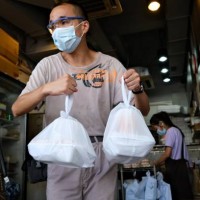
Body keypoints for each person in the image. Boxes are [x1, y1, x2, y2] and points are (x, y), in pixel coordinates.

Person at [11, 1, 149, 200]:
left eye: (64, 22)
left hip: (101, 155)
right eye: (53, 25)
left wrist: (138, 89)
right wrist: (46, 88)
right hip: (62, 154)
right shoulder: (47, 66)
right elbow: (16, 109)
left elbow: (142, 110)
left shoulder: (110, 66)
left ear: (83, 26)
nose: (57, 29)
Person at [150, 111, 193, 200]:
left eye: (155, 128)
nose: (157, 131)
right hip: (181, 167)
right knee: (185, 194)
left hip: (178, 170)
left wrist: (155, 163)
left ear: (161, 123)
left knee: (180, 194)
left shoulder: (170, 131)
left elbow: (167, 153)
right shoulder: (176, 130)